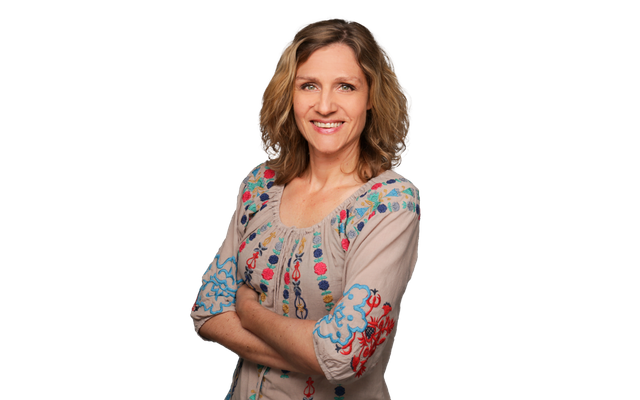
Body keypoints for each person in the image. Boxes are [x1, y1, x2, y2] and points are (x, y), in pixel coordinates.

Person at [188, 15, 422, 400]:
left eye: (346, 86)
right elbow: (207, 310)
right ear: (290, 95)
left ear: (371, 98)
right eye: (309, 85)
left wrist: (248, 312)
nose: (324, 105)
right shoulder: (259, 184)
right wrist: (312, 351)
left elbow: (343, 355)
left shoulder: (390, 204)